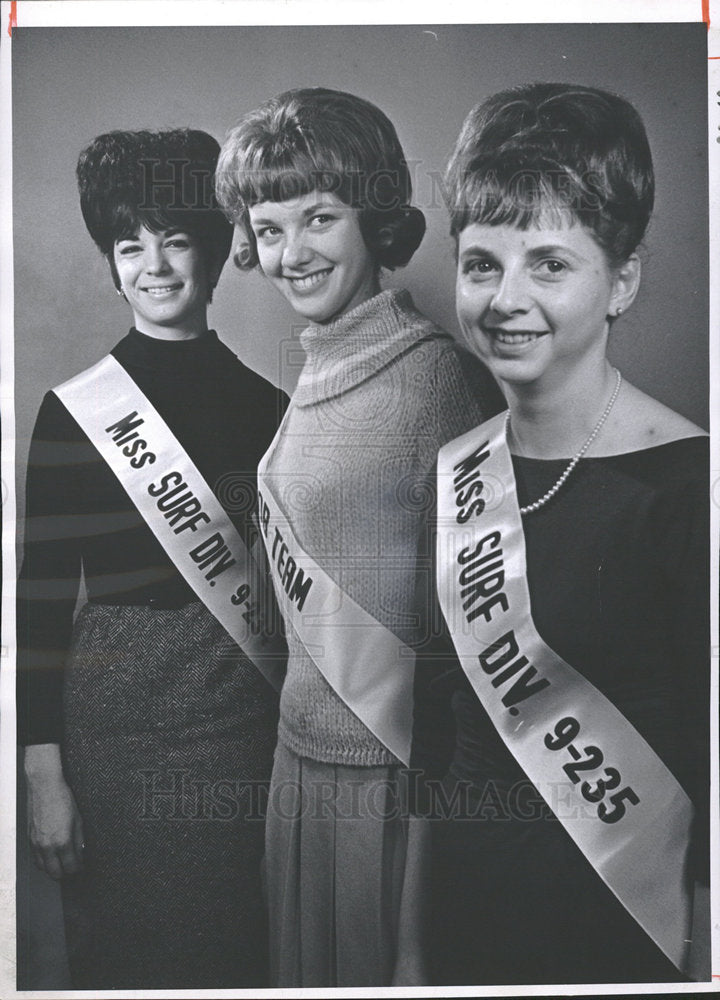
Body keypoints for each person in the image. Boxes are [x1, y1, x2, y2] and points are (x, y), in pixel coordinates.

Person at [215, 86, 503, 987]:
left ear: (374, 218)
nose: (292, 253)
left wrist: (422, 910)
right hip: (301, 767)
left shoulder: (435, 384)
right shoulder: (321, 361)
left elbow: (467, 666)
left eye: (320, 218)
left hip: (387, 795)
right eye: (268, 229)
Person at [428, 82, 710, 985]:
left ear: (622, 281)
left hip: (628, 927)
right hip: (468, 914)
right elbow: (440, 749)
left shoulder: (688, 486)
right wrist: (404, 957)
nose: (506, 300)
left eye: (550, 264)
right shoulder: (447, 473)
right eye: (482, 265)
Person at [17, 128, 287, 989]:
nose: (154, 266)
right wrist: (42, 772)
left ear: (212, 251)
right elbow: (38, 601)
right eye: (129, 245)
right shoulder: (73, 411)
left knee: (237, 953)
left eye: (174, 240)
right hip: (114, 736)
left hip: (242, 729)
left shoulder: (273, 409)